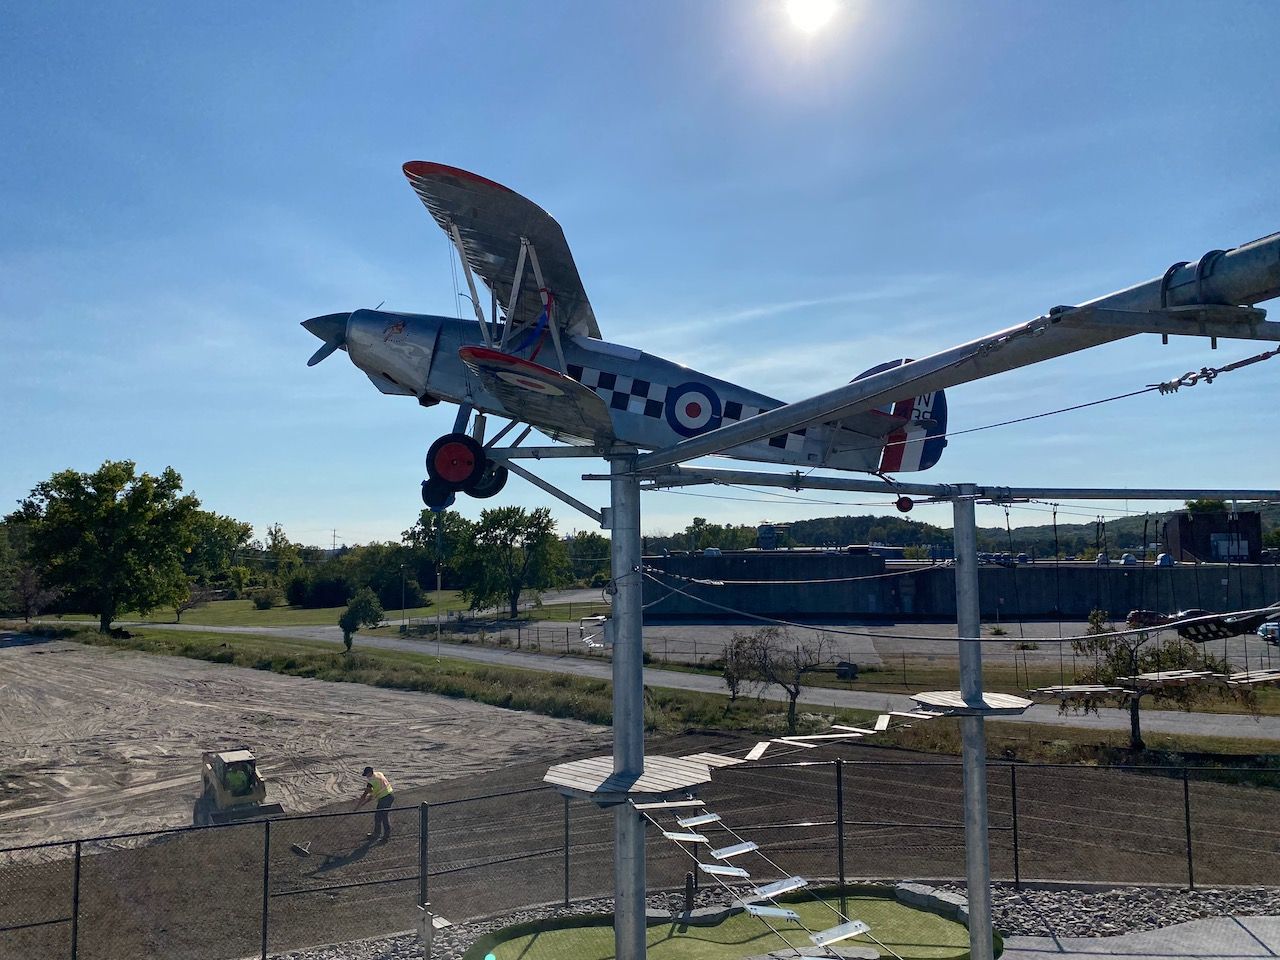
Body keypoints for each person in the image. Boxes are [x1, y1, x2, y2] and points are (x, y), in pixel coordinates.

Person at [354, 766, 395, 841]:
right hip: (390, 795)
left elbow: (365, 795)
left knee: (380, 817)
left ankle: (380, 835)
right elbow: (372, 794)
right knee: (382, 816)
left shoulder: (371, 782)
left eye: (366, 774)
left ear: (369, 773)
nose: (366, 776)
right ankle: (383, 834)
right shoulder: (379, 774)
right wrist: (365, 802)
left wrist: (358, 806)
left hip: (384, 799)